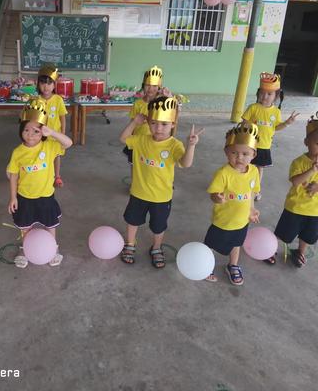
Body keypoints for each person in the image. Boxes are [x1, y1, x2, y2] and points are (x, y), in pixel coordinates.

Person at [119, 96, 202, 268]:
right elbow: (123, 139)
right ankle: (130, 244)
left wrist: (191, 146)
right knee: (133, 220)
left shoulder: (174, 145)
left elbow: (185, 164)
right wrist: (135, 122)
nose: (158, 128)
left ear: (173, 124)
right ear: (148, 123)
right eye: (154, 123)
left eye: (164, 124)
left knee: (158, 226)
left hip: (161, 197)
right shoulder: (141, 140)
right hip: (138, 193)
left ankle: (156, 247)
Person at [7, 98, 73, 268]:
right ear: (21, 130)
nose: (30, 135)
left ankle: (53, 249)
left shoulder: (49, 146)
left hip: (46, 196)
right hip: (25, 197)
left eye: (36, 131)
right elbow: (13, 175)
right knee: (25, 227)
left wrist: (52, 132)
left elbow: (68, 143)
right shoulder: (18, 152)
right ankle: (24, 249)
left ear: (42, 133)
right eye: (27, 130)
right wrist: (13, 198)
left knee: (50, 224)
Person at [203, 122, 261, 285]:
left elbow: (250, 193)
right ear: (226, 152)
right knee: (211, 244)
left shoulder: (254, 171)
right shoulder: (223, 174)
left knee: (237, 243)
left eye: (245, 153)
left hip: (242, 220)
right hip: (223, 221)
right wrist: (217, 198)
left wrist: (252, 209)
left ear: (253, 154)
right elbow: (213, 195)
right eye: (234, 152)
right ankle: (206, 264)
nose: (239, 157)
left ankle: (233, 265)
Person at [270, 113, 318, 268]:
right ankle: (270, 249)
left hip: (315, 211)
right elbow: (295, 181)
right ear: (306, 142)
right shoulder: (298, 162)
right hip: (295, 207)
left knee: (308, 235)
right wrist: (312, 171)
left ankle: (300, 252)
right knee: (284, 232)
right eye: (317, 143)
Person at [242, 72, 298, 200]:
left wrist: (287, 123)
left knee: (259, 169)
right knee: (245, 165)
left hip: (264, 145)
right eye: (262, 93)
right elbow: (244, 122)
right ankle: (242, 186)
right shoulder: (253, 107)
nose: (264, 96)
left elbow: (276, 128)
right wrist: (248, 127)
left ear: (276, 96)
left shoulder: (276, 112)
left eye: (269, 94)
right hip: (250, 144)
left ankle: (256, 190)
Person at [123, 66, 172, 163]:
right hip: (139, 140)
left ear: (159, 87)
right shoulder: (138, 104)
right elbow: (132, 124)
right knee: (135, 165)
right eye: (147, 85)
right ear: (143, 85)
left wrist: (169, 98)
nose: (151, 89)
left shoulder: (162, 104)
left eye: (154, 86)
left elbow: (173, 115)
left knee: (152, 166)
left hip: (155, 141)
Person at [36, 64, 68, 187]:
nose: (46, 86)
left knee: (56, 156)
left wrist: (62, 134)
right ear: (38, 84)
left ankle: (57, 176)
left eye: (49, 83)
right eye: (43, 83)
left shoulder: (58, 99)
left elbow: (62, 117)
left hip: (55, 135)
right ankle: (43, 175)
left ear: (54, 85)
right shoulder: (36, 100)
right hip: (40, 136)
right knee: (41, 155)